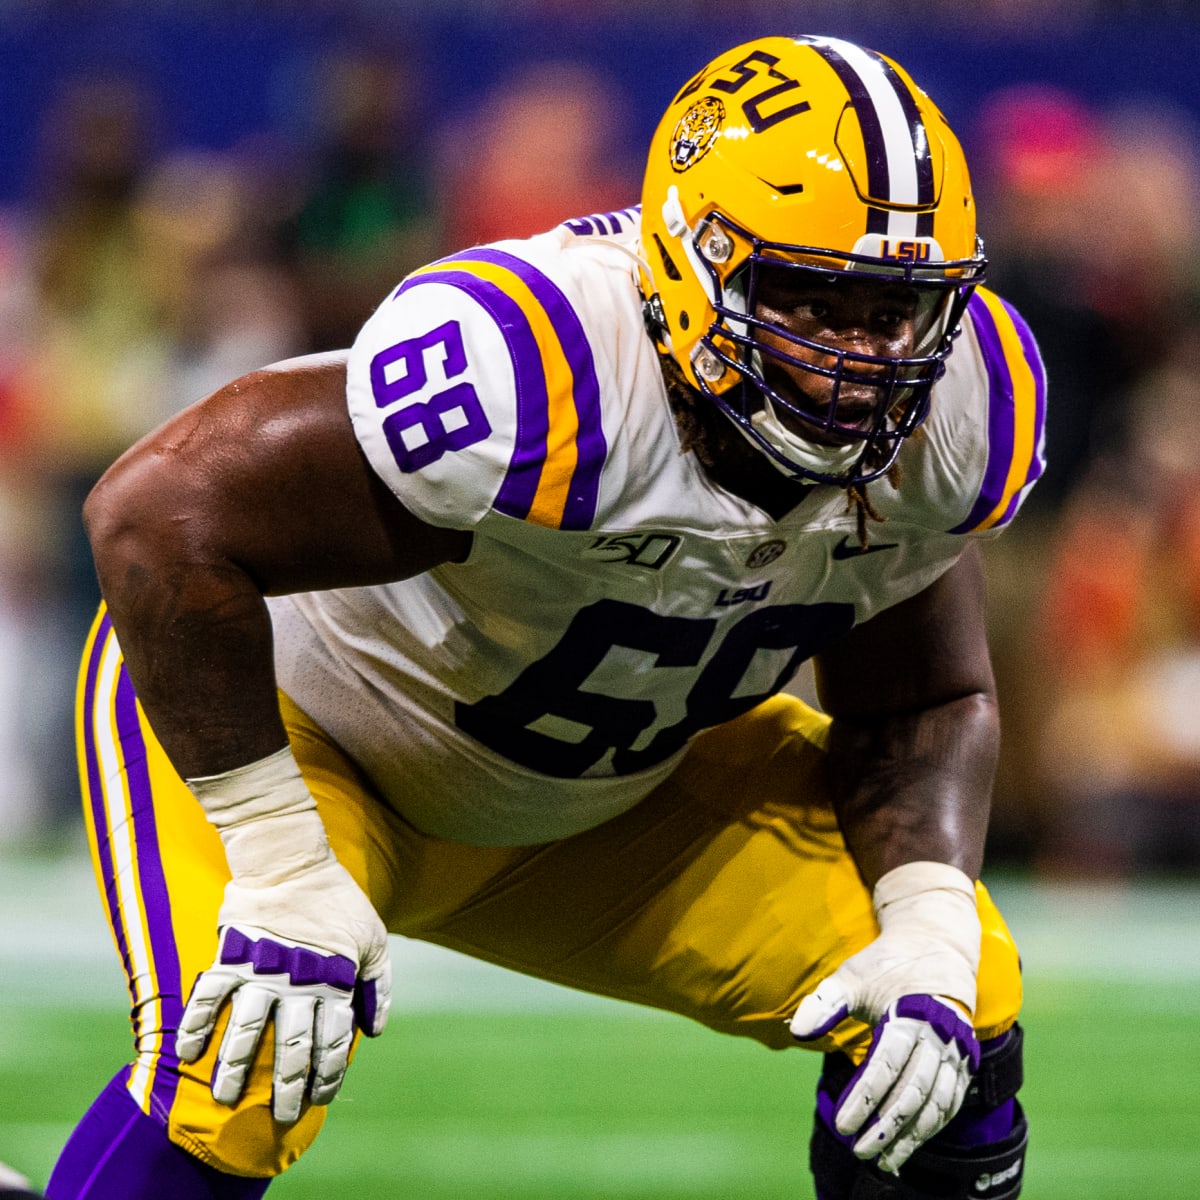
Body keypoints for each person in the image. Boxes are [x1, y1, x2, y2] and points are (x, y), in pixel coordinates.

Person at [48, 35, 1041, 1200]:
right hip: (311, 731)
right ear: (696, 257)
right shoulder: (546, 363)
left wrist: (924, 914)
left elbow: (925, 697)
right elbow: (154, 513)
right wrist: (273, 848)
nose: (861, 360)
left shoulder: (961, 408)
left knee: (949, 1006)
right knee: (242, 1064)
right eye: (815, 300)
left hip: (606, 790)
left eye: (899, 310)